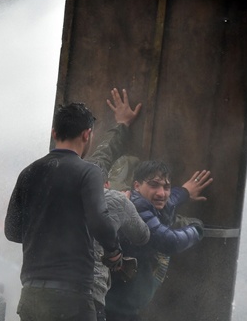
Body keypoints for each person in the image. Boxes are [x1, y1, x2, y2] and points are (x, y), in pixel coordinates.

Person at [5, 102, 123, 321]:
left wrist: (42, 232)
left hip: (31, 294)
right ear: (87, 134)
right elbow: (99, 219)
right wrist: (114, 252)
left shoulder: (28, 172)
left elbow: (11, 231)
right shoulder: (89, 172)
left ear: (54, 133)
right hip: (71, 296)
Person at [104, 160, 213, 321]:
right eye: (154, 185)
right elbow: (170, 242)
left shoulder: (148, 202)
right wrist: (196, 229)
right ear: (136, 186)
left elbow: (169, 201)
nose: (161, 193)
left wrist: (184, 191)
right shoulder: (135, 208)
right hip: (115, 309)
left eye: (166, 187)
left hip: (123, 305)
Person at [85, 88, 150, 321]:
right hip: (87, 298)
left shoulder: (68, 178)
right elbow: (143, 236)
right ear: (107, 182)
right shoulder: (114, 199)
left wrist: (122, 125)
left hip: (46, 290)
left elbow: (103, 154)